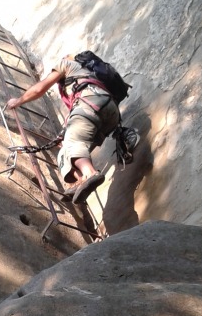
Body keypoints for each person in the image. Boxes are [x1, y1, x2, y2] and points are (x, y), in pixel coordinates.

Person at [7, 54, 120, 204]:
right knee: (64, 153)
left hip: (92, 103)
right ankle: (80, 181)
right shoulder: (87, 75)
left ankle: (90, 174)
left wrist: (18, 101)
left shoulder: (66, 64)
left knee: (74, 142)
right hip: (111, 115)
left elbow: (39, 89)